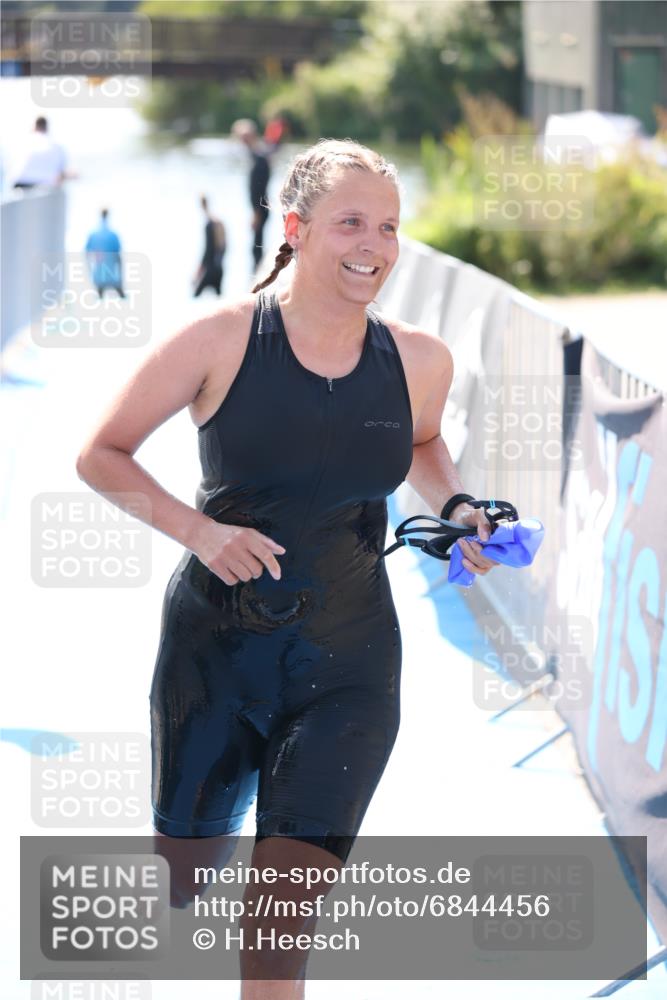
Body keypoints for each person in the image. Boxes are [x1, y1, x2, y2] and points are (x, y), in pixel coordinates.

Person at [75, 138, 499, 998]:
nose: (372, 244)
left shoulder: (419, 359)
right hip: (214, 654)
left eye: (387, 226)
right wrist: (198, 532)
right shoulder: (219, 339)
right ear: (298, 228)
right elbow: (102, 454)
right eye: (350, 222)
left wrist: (455, 508)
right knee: (184, 872)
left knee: (278, 927)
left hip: (349, 664)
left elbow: (418, 440)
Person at [231, 118, 271, 272]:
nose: (241, 141)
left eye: (243, 138)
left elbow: (259, 187)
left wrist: (256, 212)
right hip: (260, 208)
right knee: (256, 245)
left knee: (256, 247)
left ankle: (258, 279)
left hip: (261, 208)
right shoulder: (256, 155)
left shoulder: (260, 157)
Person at [12, 116, 68, 190]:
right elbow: (61, 174)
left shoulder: (22, 142)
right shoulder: (57, 146)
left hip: (19, 184)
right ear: (46, 128)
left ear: (34, 127)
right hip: (44, 187)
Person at [84, 208, 125, 299]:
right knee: (122, 299)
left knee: (99, 301)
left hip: (99, 274)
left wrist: (90, 271)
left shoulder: (93, 234)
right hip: (113, 274)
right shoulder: (113, 234)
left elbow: (87, 254)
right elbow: (118, 255)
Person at [193, 194, 226, 297]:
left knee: (195, 296)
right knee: (219, 299)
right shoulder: (219, 222)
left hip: (210, 269)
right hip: (219, 269)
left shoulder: (209, 225)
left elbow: (208, 250)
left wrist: (199, 270)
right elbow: (224, 247)